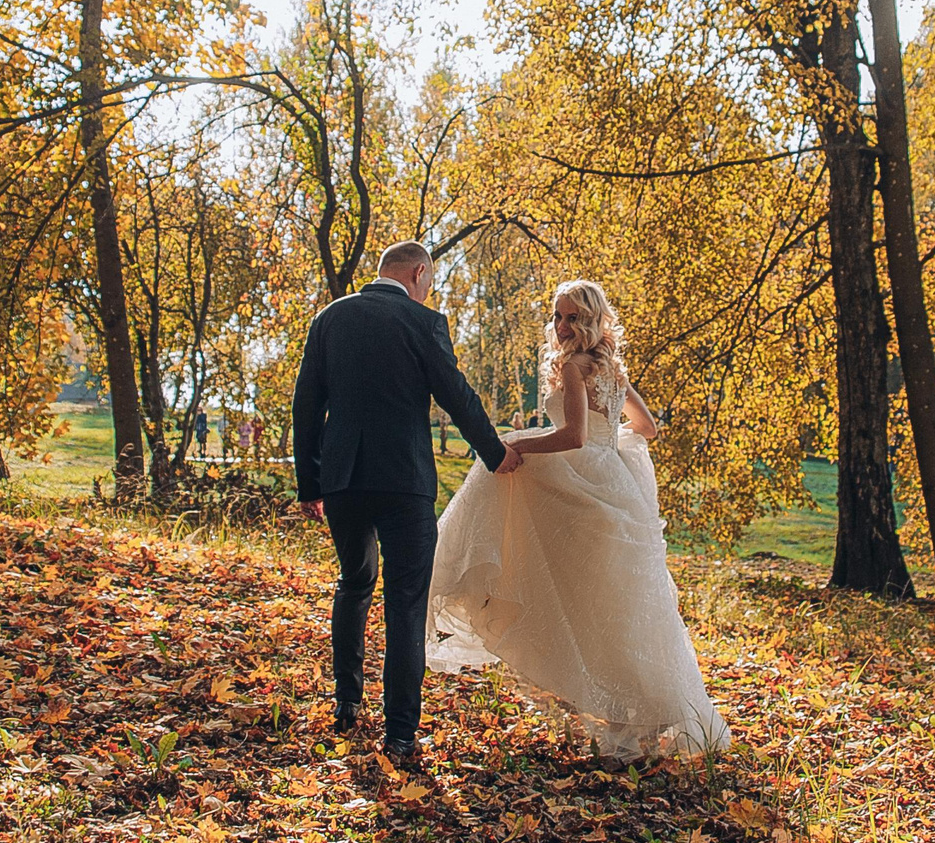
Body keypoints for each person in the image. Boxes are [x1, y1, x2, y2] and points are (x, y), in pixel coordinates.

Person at [426, 279, 730, 763]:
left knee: (595, 606)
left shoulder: (571, 367)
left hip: (587, 490)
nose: (562, 326)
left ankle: (629, 714)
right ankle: (643, 715)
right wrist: (611, 448)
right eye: (558, 316)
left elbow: (571, 436)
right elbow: (646, 428)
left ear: (591, 320)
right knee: (617, 608)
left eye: (572, 317)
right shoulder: (612, 370)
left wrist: (515, 446)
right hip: (615, 488)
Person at [294, 241, 522, 767]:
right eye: (430, 281)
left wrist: (312, 484)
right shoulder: (422, 323)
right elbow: (456, 395)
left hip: (345, 481)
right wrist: (495, 454)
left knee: (354, 582)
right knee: (404, 603)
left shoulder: (330, 318)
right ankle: (400, 733)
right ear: (419, 273)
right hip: (405, 483)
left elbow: (307, 403)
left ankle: (347, 701)